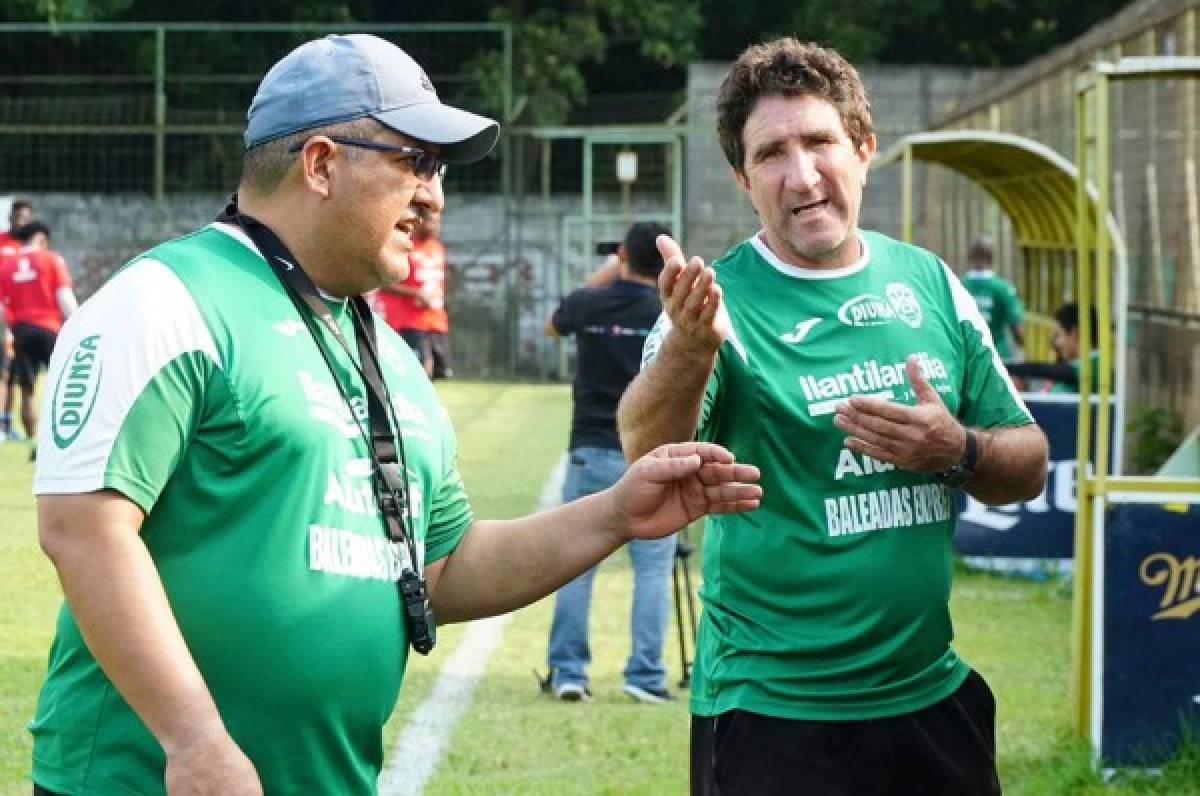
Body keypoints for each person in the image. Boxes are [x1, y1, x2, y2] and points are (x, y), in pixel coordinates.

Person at [28, 34, 762, 796]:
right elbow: (84, 528)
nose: (435, 195)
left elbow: (442, 568)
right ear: (320, 164)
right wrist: (196, 743)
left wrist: (613, 512)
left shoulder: (388, 354)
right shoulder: (169, 300)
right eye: (416, 162)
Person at [617, 38, 1049, 795]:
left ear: (864, 150)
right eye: (772, 153)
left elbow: (1028, 461)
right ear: (742, 179)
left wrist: (959, 449)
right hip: (774, 715)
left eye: (820, 142)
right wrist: (690, 350)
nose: (803, 175)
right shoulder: (715, 302)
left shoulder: (930, 283)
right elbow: (645, 456)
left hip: (930, 699)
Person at [541, 221, 677, 704]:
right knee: (654, 569)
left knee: (577, 564)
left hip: (592, 447)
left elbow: (553, 324)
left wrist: (604, 275)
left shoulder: (590, 302)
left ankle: (568, 671)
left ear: (622, 254)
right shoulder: (667, 312)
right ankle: (644, 675)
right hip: (654, 453)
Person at [0, 221, 76, 448]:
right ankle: (61, 437)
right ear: (42, 238)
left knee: (27, 387)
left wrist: (9, 332)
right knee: (63, 383)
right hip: (49, 328)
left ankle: (33, 439)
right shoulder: (51, 259)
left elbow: (2, 307)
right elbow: (64, 296)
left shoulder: (6, 266)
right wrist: (78, 325)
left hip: (21, 329)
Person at [375, 188, 452, 378]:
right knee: (421, 367)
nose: (436, 226)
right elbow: (383, 284)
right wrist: (416, 294)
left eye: (439, 221)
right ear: (420, 221)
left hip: (435, 320)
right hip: (409, 321)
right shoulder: (405, 245)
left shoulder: (438, 247)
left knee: (439, 371)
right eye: (432, 221)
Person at [1005, 301, 1099, 393]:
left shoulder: (1095, 362)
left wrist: (1009, 368)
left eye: (1058, 335)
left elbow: (1055, 371)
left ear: (1075, 333)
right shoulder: (1074, 365)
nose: (1056, 344)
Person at [962, 236, 1025, 360]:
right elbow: (1017, 327)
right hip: (998, 356)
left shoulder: (957, 286)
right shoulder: (1004, 289)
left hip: (967, 357)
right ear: (991, 258)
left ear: (969, 258)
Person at [0, 198, 32, 436]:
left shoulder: (30, 247)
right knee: (4, 372)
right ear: (10, 217)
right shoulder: (2, 242)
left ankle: (8, 423)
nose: (20, 221)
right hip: (4, 316)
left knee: (18, 374)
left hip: (23, 321)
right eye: (17, 216)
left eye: (25, 218)